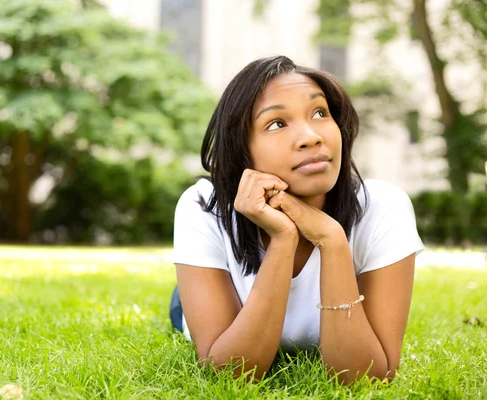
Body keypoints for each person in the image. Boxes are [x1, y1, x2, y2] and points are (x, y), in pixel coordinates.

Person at [169, 56, 424, 384]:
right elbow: (230, 374)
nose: (311, 136)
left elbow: (367, 377)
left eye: (320, 113)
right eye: (277, 123)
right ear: (242, 150)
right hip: (226, 289)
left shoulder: (383, 206)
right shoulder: (205, 206)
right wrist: (284, 238)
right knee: (184, 306)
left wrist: (331, 239)